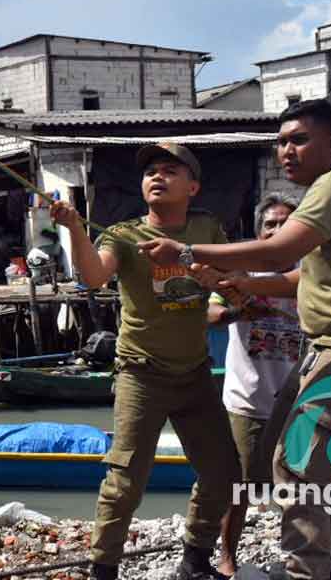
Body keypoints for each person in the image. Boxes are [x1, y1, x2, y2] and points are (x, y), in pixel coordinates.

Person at [138, 100, 331, 580]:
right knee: (286, 458)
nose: (286, 150)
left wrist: (185, 249)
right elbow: (299, 277)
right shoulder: (328, 199)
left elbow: (281, 250)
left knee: (298, 464)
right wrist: (239, 279)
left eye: (298, 140)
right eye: (281, 142)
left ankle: (310, 570)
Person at [51, 142, 239, 580]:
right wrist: (76, 229)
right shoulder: (123, 235)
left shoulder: (208, 228)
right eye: (151, 170)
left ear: (192, 186)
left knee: (223, 472)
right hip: (140, 371)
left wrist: (217, 285)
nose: (157, 176)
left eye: (170, 171)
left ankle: (195, 559)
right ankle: (103, 570)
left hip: (194, 372)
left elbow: (228, 283)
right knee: (125, 480)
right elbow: (93, 277)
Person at [208, 193, 303, 578]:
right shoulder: (241, 275)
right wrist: (242, 310)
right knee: (241, 487)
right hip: (248, 400)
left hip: (297, 398)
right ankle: (226, 556)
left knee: (298, 487)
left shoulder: (310, 274)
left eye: (287, 225)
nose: (279, 231)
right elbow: (210, 314)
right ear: (259, 232)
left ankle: (301, 553)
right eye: (271, 225)